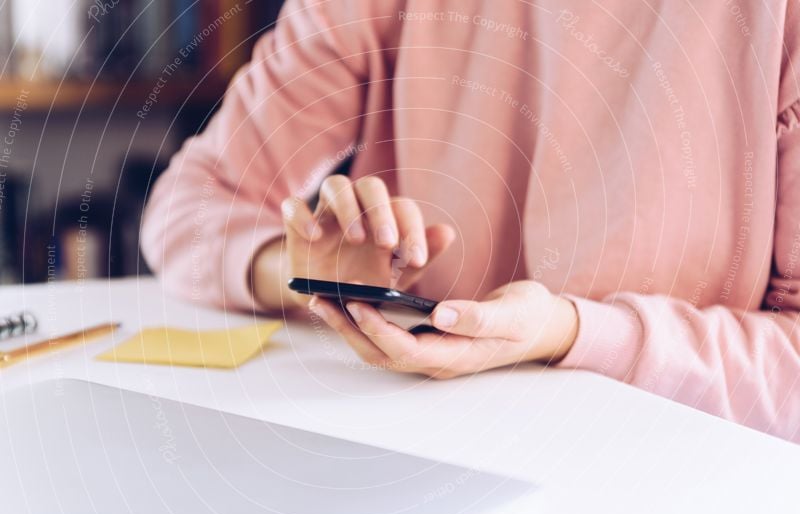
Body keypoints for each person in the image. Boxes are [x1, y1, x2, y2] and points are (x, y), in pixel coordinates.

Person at [141, 0, 800, 442]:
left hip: (682, 489)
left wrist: (573, 333)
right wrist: (298, 269)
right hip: (409, 456)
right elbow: (186, 203)